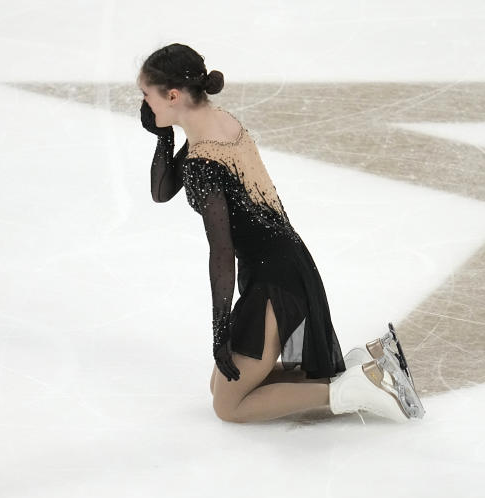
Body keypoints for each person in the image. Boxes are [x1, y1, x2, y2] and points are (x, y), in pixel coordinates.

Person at [137, 43, 424, 424]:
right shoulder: (218, 121)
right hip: (289, 262)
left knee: (228, 406)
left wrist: (219, 331)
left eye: (147, 95)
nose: (144, 104)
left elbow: (221, 252)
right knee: (219, 386)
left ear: (172, 95)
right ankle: (363, 365)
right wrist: (163, 136)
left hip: (274, 282)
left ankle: (355, 390)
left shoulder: (203, 162)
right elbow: (161, 193)